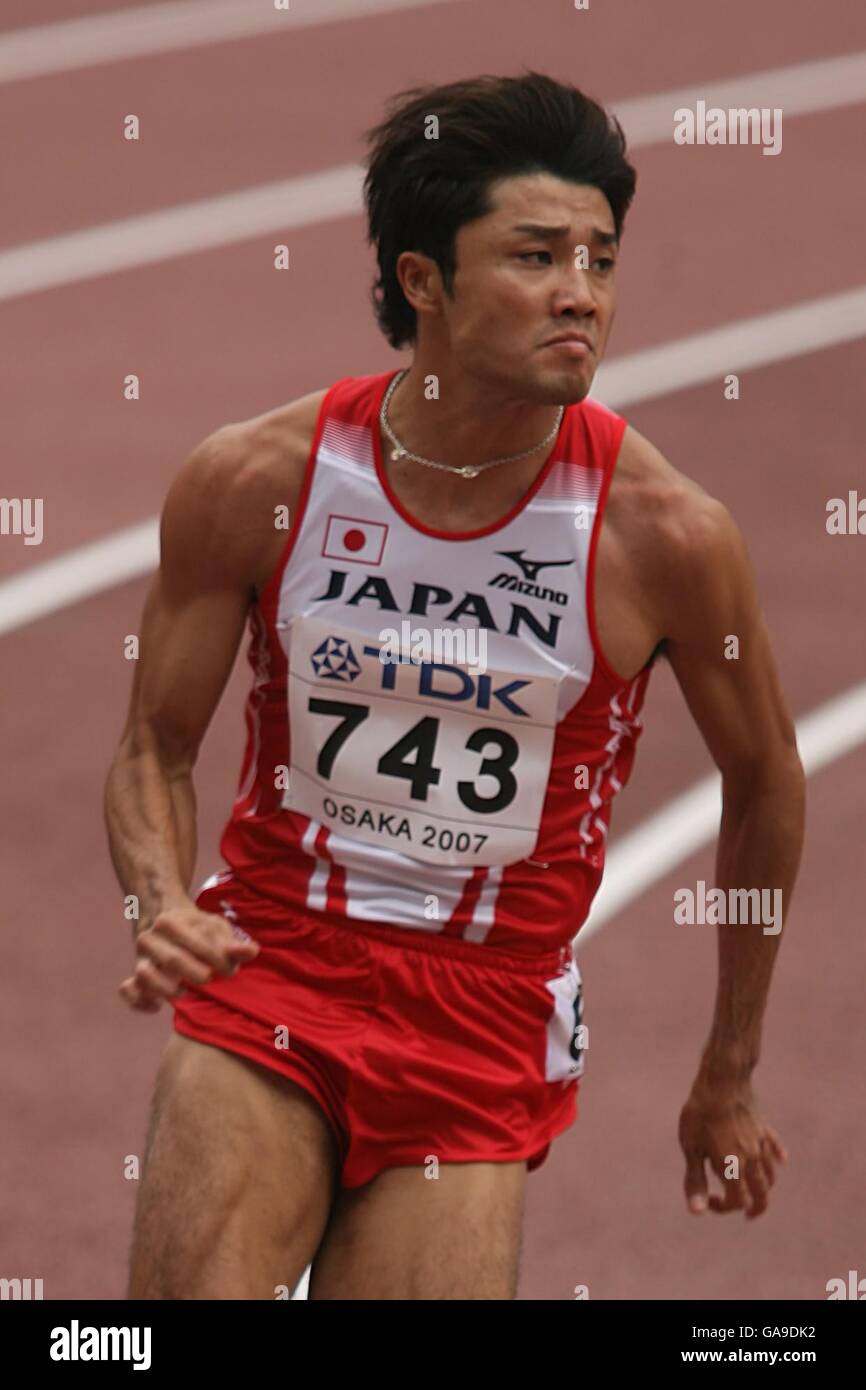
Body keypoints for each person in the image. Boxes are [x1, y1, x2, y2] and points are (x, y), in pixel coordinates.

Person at [104, 72, 805, 1301]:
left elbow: (763, 782)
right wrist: (161, 900)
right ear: (422, 279)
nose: (580, 292)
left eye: (597, 256)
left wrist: (727, 1070)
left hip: (482, 1019)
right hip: (275, 961)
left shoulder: (666, 537)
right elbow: (155, 742)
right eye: (535, 256)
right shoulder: (257, 479)